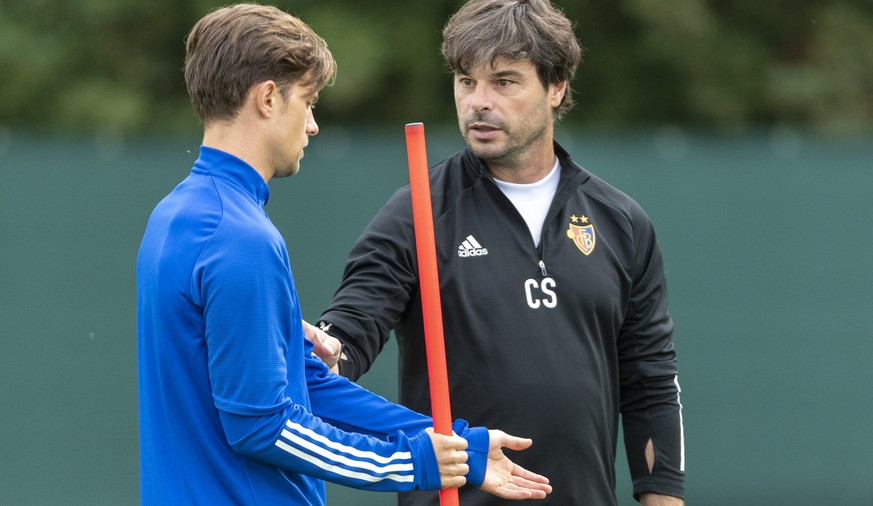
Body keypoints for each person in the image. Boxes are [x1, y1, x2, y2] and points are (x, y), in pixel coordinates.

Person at [136, 3, 554, 504]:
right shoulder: (239, 238)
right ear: (269, 98)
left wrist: (459, 443)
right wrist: (414, 462)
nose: (312, 125)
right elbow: (262, 426)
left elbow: (308, 386)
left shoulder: (177, 214)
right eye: (308, 101)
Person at [310, 0, 685, 504]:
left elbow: (651, 384)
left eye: (504, 82)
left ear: (556, 88)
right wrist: (330, 350)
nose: (478, 102)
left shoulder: (621, 221)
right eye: (466, 81)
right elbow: (351, 331)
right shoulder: (416, 211)